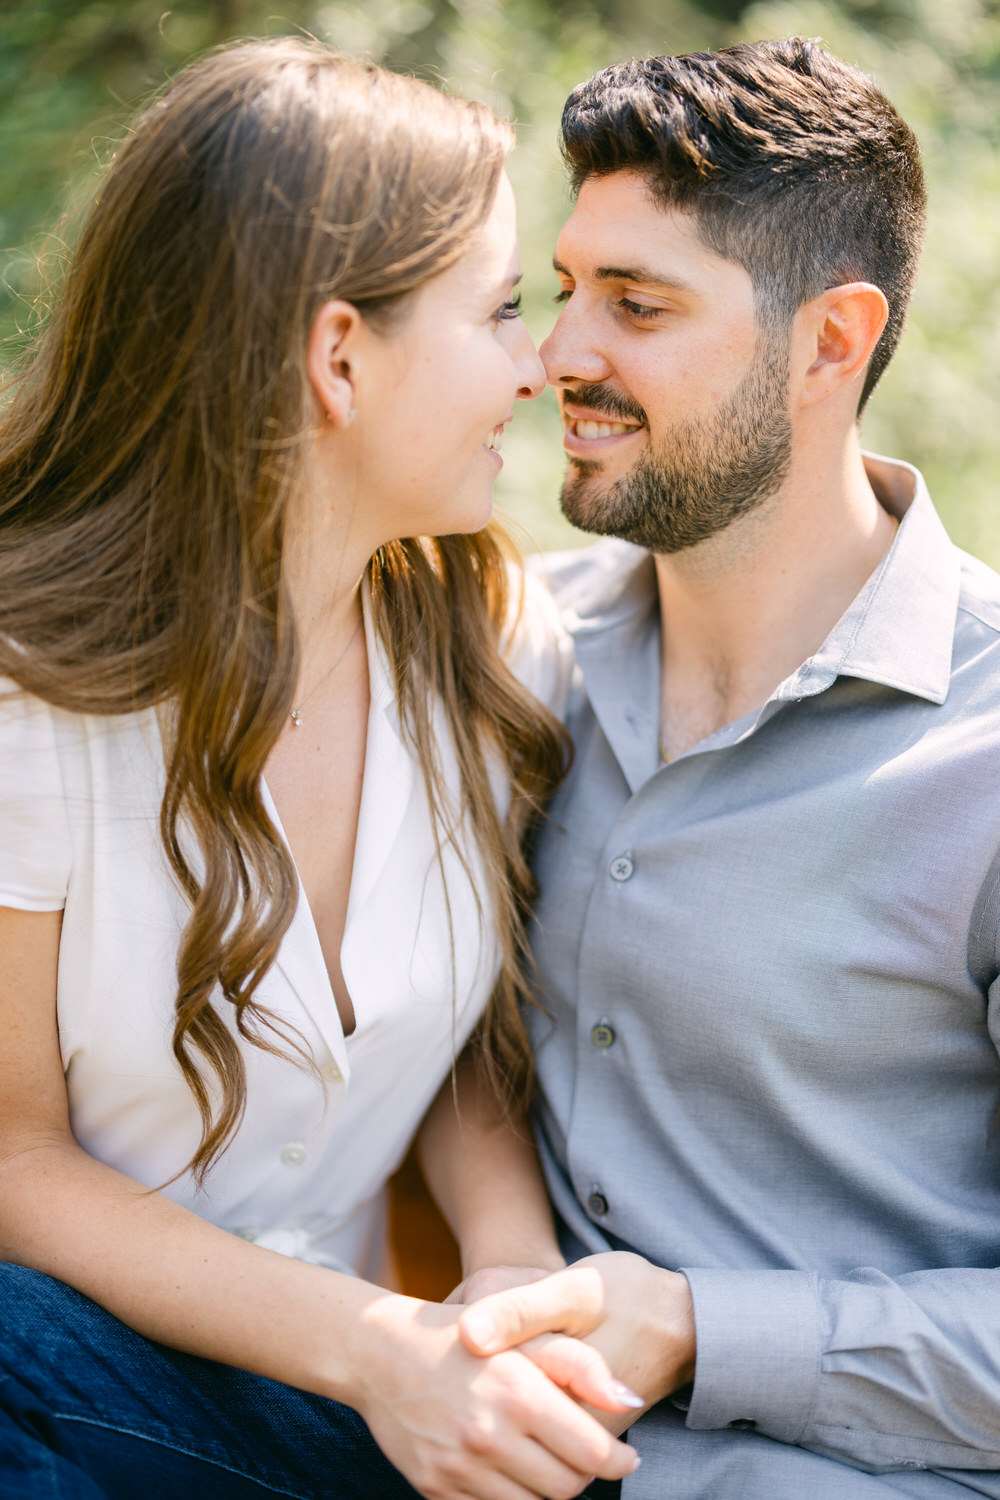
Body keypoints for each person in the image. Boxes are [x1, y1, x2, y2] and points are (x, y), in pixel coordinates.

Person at [0, 37, 643, 1500]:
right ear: (339, 357)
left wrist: (506, 1275)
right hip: (99, 1388)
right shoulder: (28, 692)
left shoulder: (490, 646)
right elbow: (12, 1159)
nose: (541, 364)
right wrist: (377, 1350)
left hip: (360, 1430)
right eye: (499, 312)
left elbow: (469, 1038)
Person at [455, 37, 1000, 1499]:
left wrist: (703, 1332)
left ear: (832, 342)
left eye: (637, 306)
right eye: (570, 292)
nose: (562, 355)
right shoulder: (518, 655)